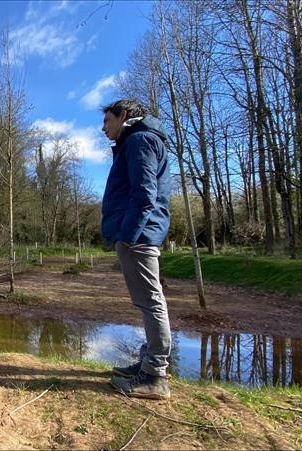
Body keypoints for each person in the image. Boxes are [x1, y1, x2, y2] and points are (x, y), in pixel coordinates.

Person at [100, 99, 172, 400]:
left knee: (150, 301)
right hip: (140, 234)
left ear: (124, 116)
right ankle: (147, 363)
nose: (103, 128)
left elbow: (144, 194)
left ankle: (154, 376)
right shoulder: (138, 140)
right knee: (146, 300)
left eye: (107, 121)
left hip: (138, 236)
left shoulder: (140, 140)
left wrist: (128, 235)